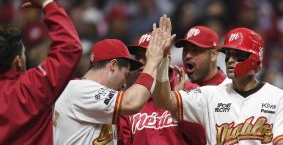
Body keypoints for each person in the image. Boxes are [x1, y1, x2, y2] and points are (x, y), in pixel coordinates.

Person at [154, 27, 283, 145]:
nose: (230, 60)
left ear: (255, 60)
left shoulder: (277, 97)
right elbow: (163, 101)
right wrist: (162, 63)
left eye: (238, 55)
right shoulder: (209, 95)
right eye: (228, 55)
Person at [0, 0, 83, 145]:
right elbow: (70, 47)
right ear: (18, 61)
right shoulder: (32, 86)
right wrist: (48, 4)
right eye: (23, 53)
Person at [53, 28, 169, 145]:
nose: (124, 84)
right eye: (126, 75)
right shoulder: (79, 89)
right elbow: (133, 102)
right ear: (113, 65)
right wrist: (152, 62)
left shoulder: (97, 102)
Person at [118, 15, 198, 145]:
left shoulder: (189, 92)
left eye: (147, 55)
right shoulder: (130, 100)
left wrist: (178, 106)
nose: (141, 62)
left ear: (166, 58)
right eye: (138, 57)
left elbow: (200, 139)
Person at [174, 25, 231, 144]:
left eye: (195, 50)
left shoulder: (230, 91)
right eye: (186, 50)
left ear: (214, 55)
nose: (188, 55)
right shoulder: (180, 88)